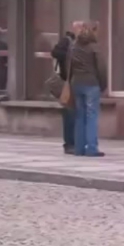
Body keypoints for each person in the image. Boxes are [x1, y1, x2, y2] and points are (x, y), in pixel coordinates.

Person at [69, 20, 107, 157]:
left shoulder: (74, 47)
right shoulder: (94, 47)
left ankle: (79, 148)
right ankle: (91, 148)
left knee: (80, 116)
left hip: (76, 83)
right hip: (91, 84)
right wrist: (103, 84)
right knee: (92, 116)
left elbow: (69, 66)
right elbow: (101, 68)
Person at [51, 25, 77, 154]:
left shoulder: (81, 43)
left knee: (75, 114)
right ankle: (69, 143)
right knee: (69, 113)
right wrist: (69, 54)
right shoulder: (66, 41)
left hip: (77, 82)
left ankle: (75, 142)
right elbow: (55, 53)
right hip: (67, 82)